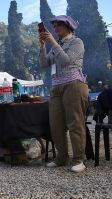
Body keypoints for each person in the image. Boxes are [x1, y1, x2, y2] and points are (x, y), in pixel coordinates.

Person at [39, 15, 89, 172]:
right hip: (56, 87)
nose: (55, 28)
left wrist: (53, 42)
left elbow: (66, 61)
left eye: (59, 25)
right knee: (56, 124)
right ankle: (61, 157)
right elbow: (43, 64)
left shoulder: (77, 42)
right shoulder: (57, 46)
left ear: (69, 26)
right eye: (54, 26)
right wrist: (42, 46)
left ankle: (78, 159)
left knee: (74, 122)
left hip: (74, 84)